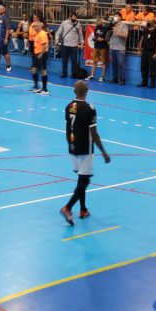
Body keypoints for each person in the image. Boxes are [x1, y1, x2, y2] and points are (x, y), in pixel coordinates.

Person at [59, 80, 111, 225]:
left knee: (81, 179)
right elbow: (94, 133)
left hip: (72, 148)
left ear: (74, 91)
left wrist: (70, 146)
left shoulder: (68, 107)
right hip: (85, 149)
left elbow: (67, 130)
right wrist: (104, 152)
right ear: (87, 90)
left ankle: (83, 209)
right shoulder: (90, 108)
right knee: (85, 180)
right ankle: (68, 207)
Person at [56, 13, 84, 79]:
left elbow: (80, 34)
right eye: (74, 17)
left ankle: (73, 74)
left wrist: (82, 42)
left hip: (74, 45)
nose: (75, 19)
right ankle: (64, 73)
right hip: (65, 45)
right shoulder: (64, 23)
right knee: (64, 60)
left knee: (74, 61)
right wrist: (57, 39)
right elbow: (59, 32)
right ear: (70, 17)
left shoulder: (78, 24)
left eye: (76, 17)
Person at [137, 21, 156, 88]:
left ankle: (152, 83)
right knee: (143, 66)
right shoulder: (145, 30)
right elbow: (141, 40)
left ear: (153, 23)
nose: (148, 22)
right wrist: (139, 50)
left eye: (150, 21)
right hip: (144, 51)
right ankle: (144, 82)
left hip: (152, 51)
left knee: (152, 67)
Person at [29, 16, 50, 95]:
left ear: (39, 26)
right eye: (33, 26)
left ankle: (45, 89)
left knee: (43, 71)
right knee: (34, 69)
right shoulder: (37, 34)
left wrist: (41, 54)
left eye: (35, 26)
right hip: (37, 54)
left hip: (42, 54)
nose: (33, 27)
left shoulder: (42, 34)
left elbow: (45, 46)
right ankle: (36, 86)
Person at [108, 15, 128, 85]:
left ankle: (122, 79)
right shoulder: (112, 24)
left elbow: (125, 35)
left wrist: (117, 32)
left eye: (116, 16)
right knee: (114, 64)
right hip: (112, 47)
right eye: (114, 16)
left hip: (120, 48)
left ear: (120, 17)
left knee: (121, 64)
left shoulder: (124, 25)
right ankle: (114, 78)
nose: (114, 17)